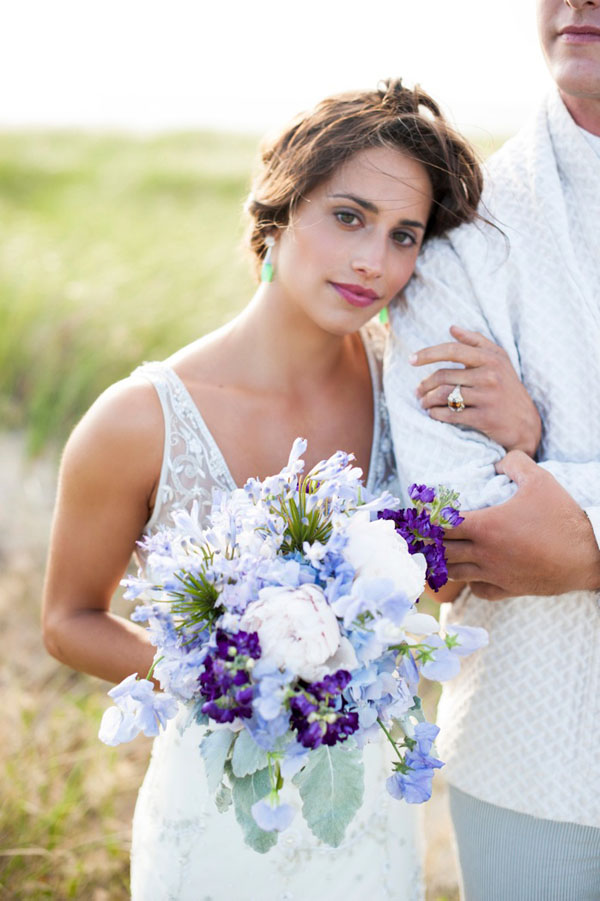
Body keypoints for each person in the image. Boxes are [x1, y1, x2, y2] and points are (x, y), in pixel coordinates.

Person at [41, 80, 535, 900]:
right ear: (277, 214)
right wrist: (236, 679)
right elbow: (67, 621)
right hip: (214, 820)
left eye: (404, 235)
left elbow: (455, 576)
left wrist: (518, 436)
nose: (374, 261)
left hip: (372, 817)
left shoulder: (415, 401)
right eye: (349, 216)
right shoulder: (137, 421)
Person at [384, 2, 600, 898]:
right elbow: (466, 515)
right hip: (528, 741)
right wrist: (528, 474)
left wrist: (546, 470)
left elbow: (547, 530)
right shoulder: (460, 226)